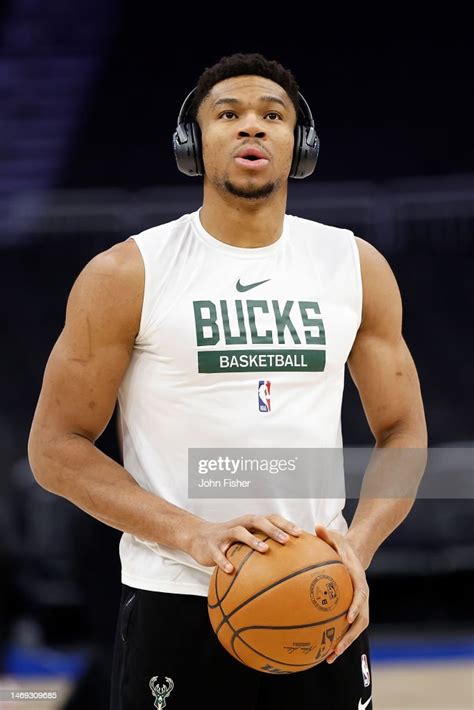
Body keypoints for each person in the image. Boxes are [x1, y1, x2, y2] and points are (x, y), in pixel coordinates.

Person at [27, 52, 427, 709]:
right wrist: (191, 534)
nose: (252, 127)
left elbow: (403, 429)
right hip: (175, 599)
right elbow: (54, 449)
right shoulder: (127, 272)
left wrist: (357, 549)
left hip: (321, 600)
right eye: (228, 114)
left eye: (273, 115)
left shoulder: (354, 266)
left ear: (301, 145)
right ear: (192, 142)